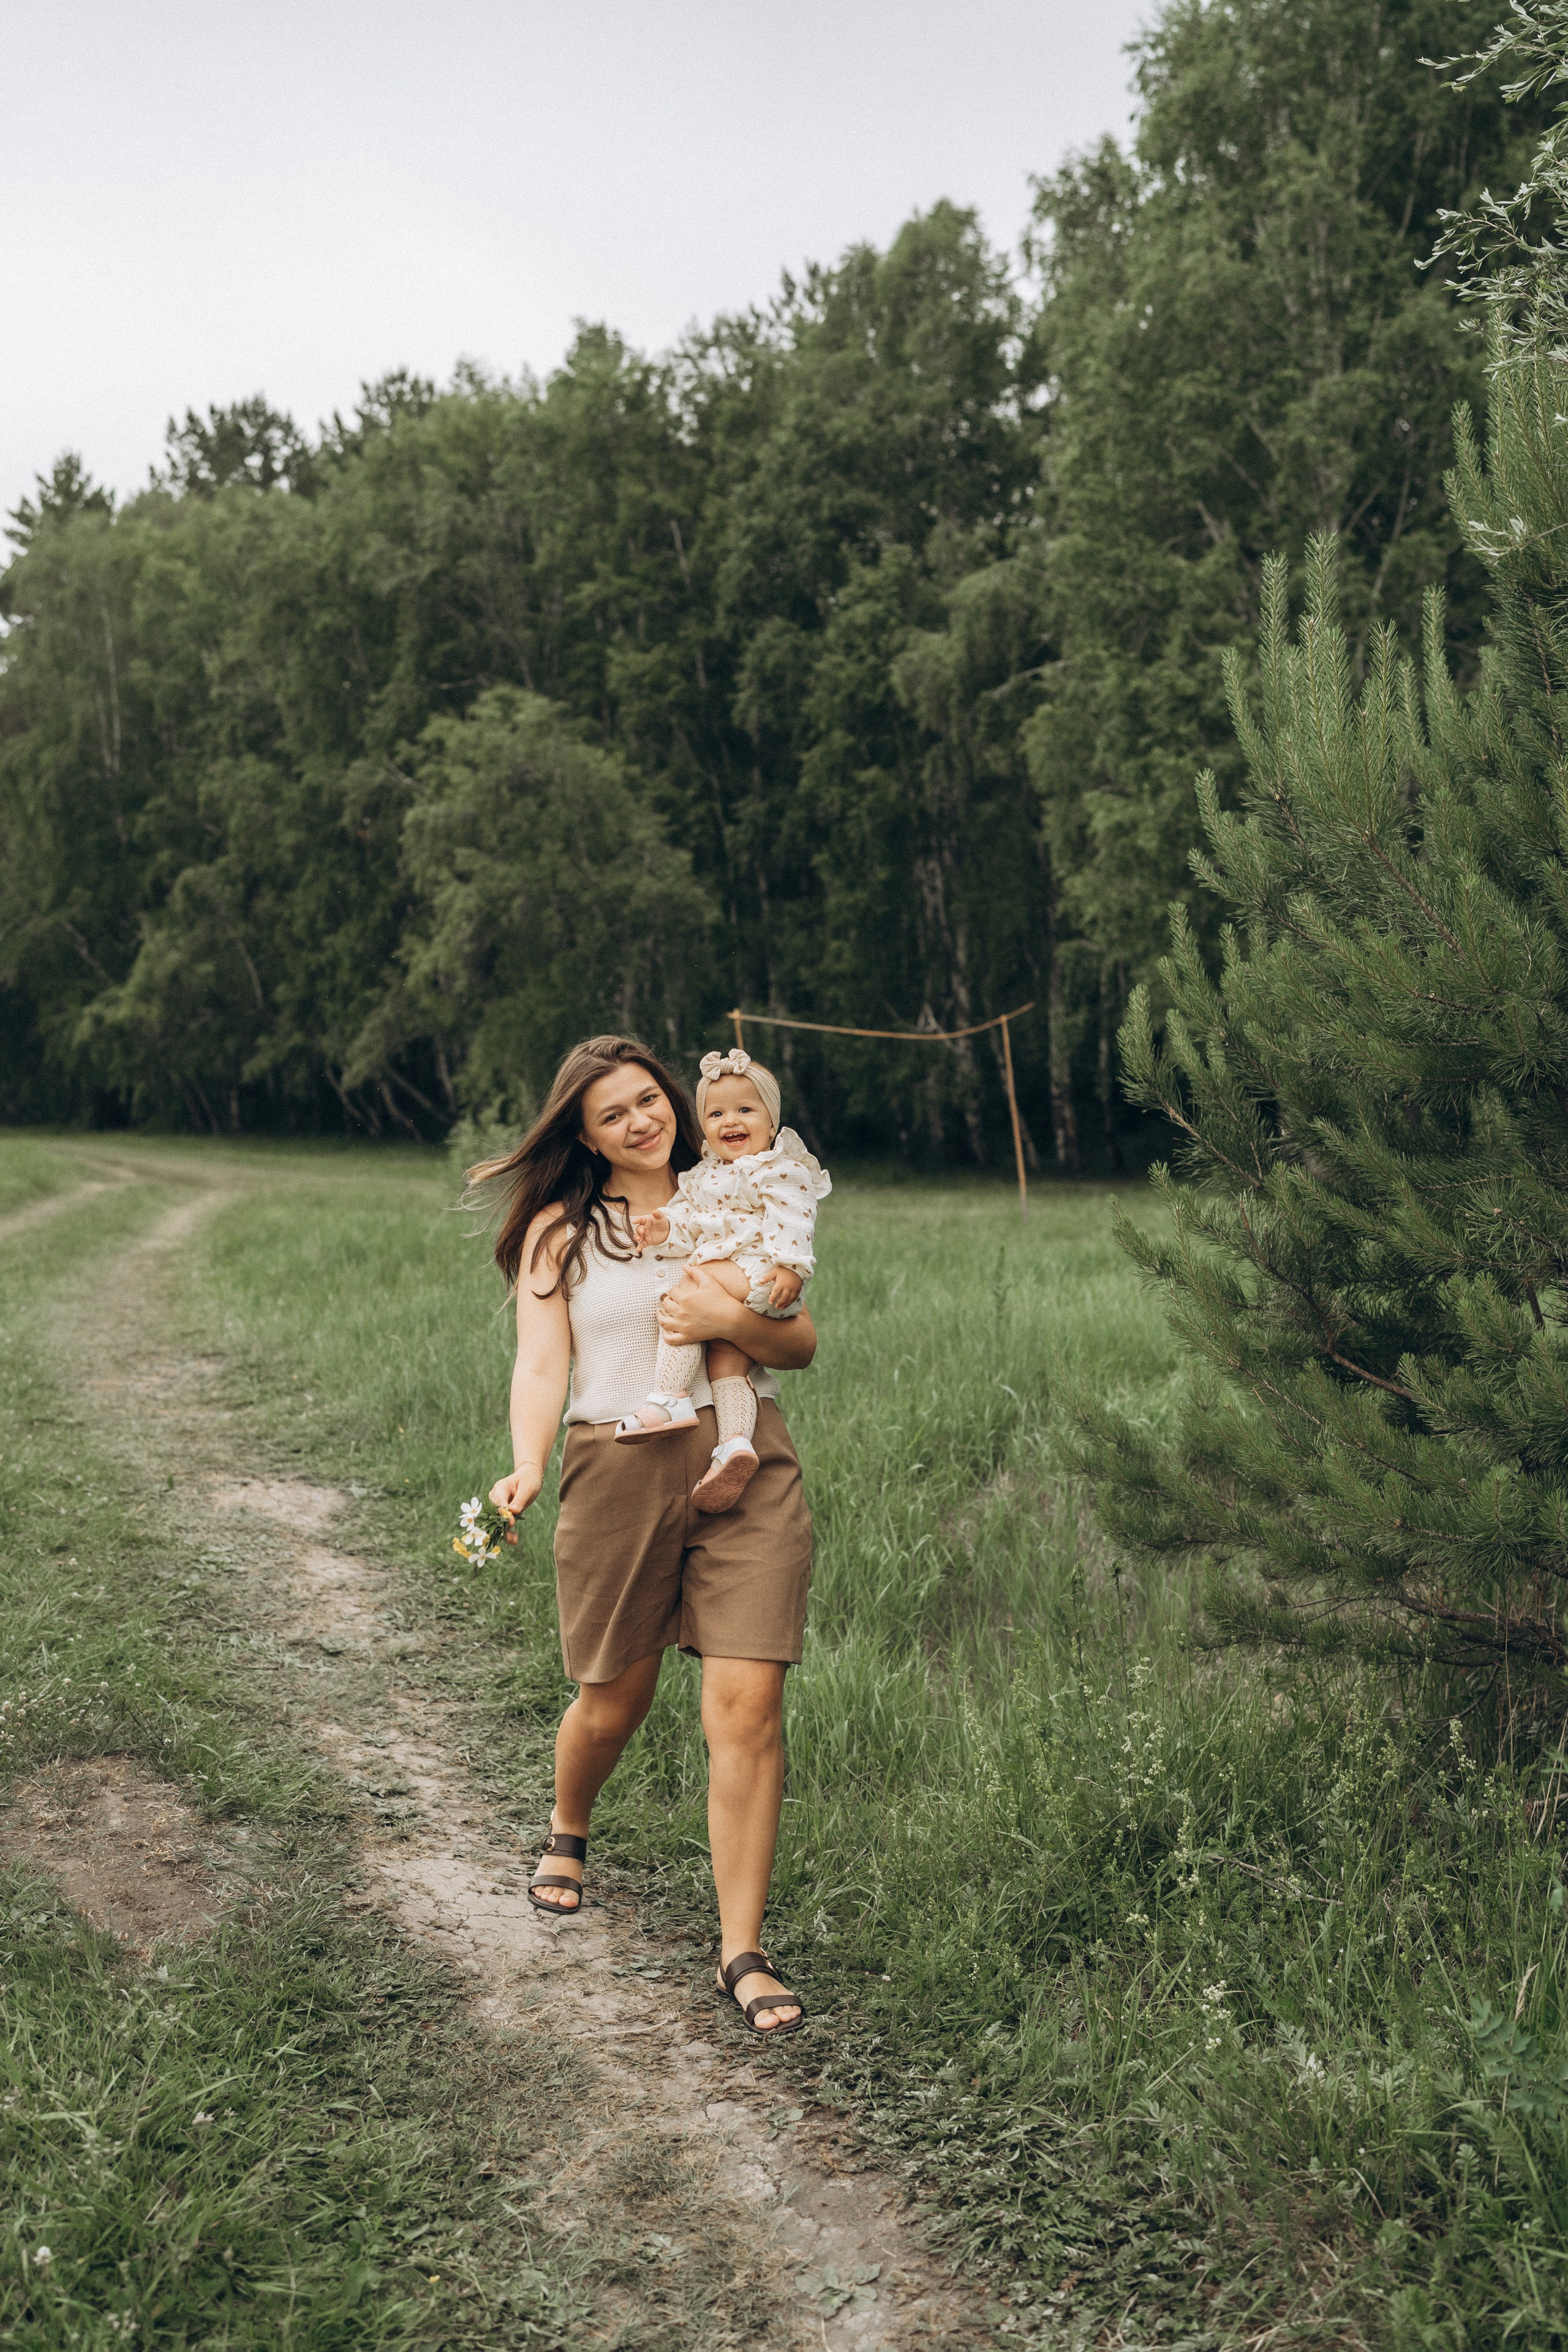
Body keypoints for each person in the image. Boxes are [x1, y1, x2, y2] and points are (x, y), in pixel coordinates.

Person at [477, 1034, 815, 2036]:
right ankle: (568, 1824)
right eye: (612, 1114)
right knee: (612, 1701)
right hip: (617, 1463)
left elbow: (798, 1340)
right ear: (585, 1136)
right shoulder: (561, 1233)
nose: (640, 1122)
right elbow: (542, 1364)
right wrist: (527, 1463)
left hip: (743, 1457)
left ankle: (741, 1950)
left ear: (675, 1100)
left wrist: (726, 1315)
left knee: (748, 1704)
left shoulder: (739, 1189)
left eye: (648, 1100)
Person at [616, 1046, 831, 1513]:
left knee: (686, 1295)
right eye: (716, 1114)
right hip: (745, 1282)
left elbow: (796, 1214)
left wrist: (791, 1266)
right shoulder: (703, 1177)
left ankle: (669, 1397)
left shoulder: (778, 1169)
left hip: (762, 1272)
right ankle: (735, 1445)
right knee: (726, 1362)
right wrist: (665, 1230)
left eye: (745, 1110)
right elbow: (690, 1223)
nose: (730, 1120)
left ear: (772, 1124)